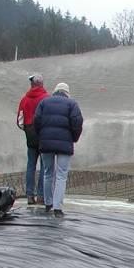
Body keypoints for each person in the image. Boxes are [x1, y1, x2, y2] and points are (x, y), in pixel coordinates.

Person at [34, 82, 83, 218]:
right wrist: (73, 138)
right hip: (64, 144)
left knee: (48, 173)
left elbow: (36, 120)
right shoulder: (72, 104)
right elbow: (77, 122)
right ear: (67, 93)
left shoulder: (44, 102)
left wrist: (42, 136)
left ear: (55, 91)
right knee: (61, 175)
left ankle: (48, 203)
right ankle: (57, 208)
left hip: (46, 143)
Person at [16, 74, 49, 204]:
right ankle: (41, 196)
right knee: (44, 166)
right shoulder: (47, 98)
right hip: (44, 135)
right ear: (42, 84)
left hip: (30, 135)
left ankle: (30, 195)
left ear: (32, 84)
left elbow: (19, 120)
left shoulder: (25, 99)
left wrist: (26, 129)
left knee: (31, 165)